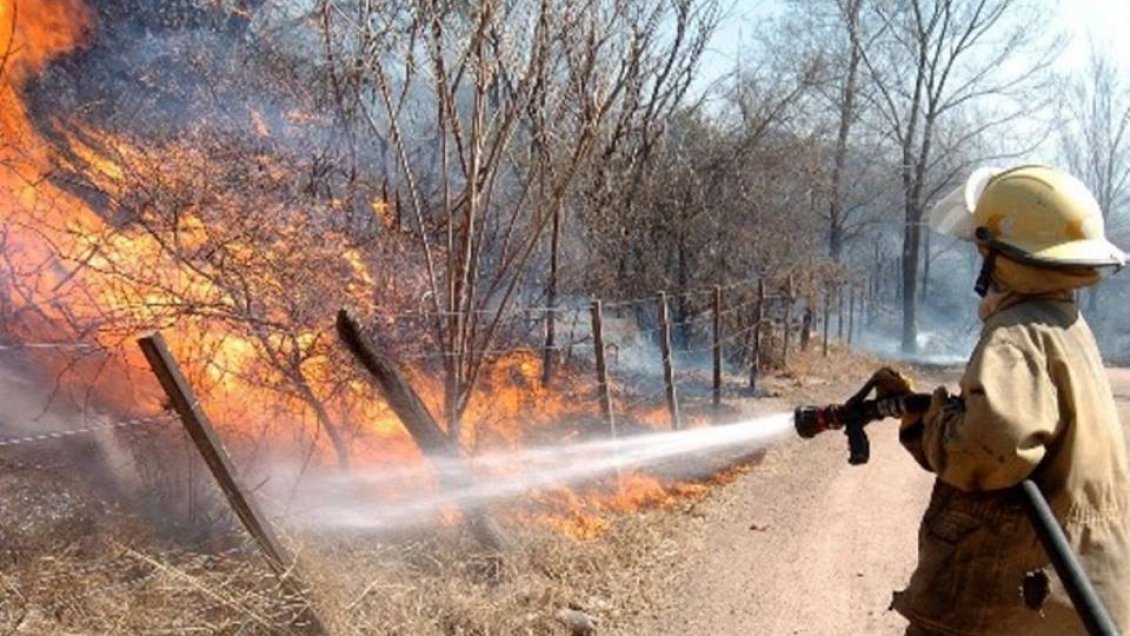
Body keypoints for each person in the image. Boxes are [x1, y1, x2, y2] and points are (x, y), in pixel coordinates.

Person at [878, 165, 1130, 635]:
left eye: (984, 249)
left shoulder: (1016, 336)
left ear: (1003, 255)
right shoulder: (1064, 325)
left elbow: (989, 450)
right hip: (1075, 593)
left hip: (1019, 596)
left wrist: (931, 422)